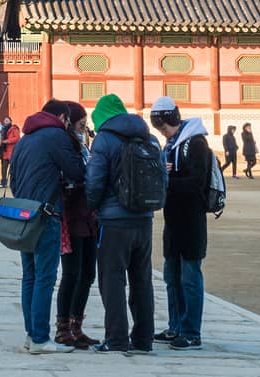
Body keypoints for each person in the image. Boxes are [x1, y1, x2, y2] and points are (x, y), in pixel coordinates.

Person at [86, 93, 164, 355]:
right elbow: (163, 177)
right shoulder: (150, 138)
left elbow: (95, 182)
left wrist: (93, 206)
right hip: (144, 219)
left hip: (113, 220)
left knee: (112, 279)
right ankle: (143, 339)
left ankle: (116, 338)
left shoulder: (104, 140)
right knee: (142, 279)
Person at [9, 99, 85, 353]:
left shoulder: (25, 138)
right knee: (45, 276)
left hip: (24, 214)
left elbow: (14, 178)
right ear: (63, 117)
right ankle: (41, 338)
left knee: (29, 276)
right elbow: (75, 171)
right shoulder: (56, 136)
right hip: (47, 213)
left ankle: (32, 334)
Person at [151, 96, 210, 351]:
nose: (162, 132)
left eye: (163, 126)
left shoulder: (196, 143)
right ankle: (175, 325)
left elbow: (198, 182)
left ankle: (191, 331)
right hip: (173, 219)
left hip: (191, 219)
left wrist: (167, 178)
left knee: (190, 276)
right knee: (171, 276)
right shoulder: (172, 144)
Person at [54, 103, 97, 349]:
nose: (84, 128)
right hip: (72, 217)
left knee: (88, 274)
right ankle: (62, 328)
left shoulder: (82, 145)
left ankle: (76, 326)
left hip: (89, 217)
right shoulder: (65, 145)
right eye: (81, 124)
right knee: (72, 274)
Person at [0, 115, 20, 181]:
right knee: (4, 167)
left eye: (7, 120)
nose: (5, 122)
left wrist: (8, 141)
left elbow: (17, 138)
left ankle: (14, 181)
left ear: (10, 121)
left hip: (12, 151)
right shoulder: (3, 129)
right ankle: (3, 182)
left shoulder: (14, 128)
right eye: (5, 121)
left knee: (13, 168)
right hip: (5, 151)